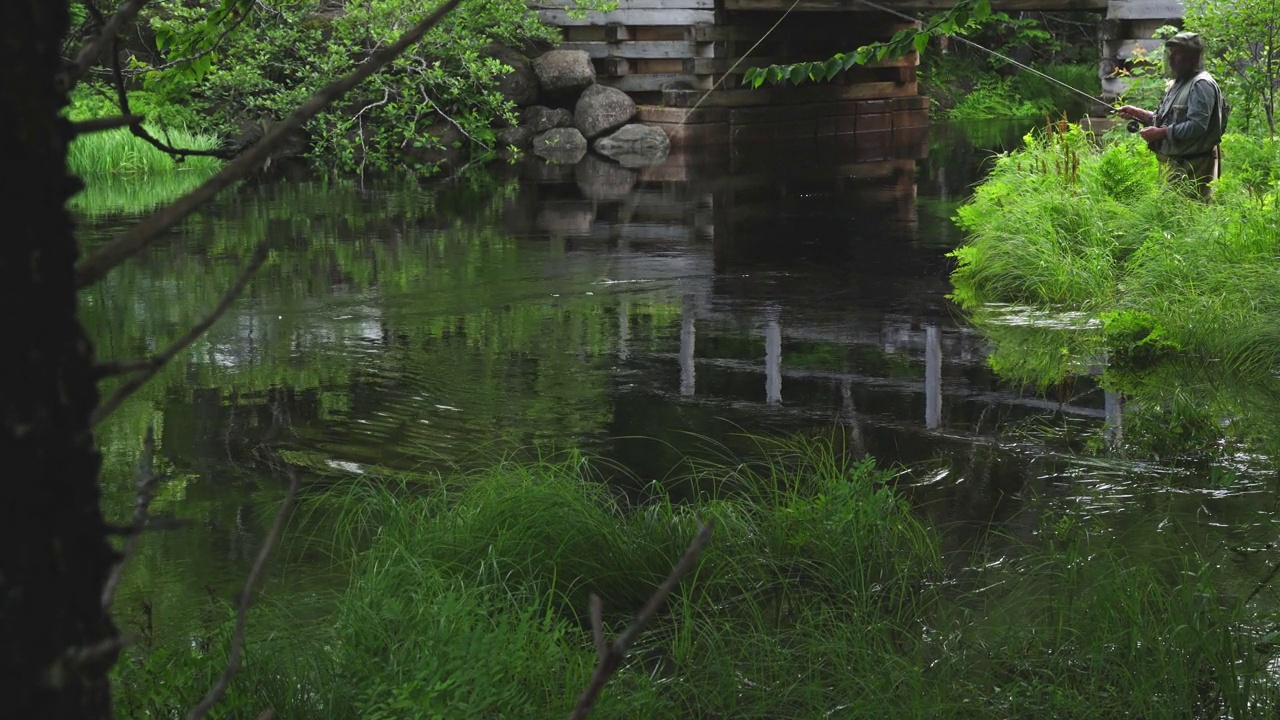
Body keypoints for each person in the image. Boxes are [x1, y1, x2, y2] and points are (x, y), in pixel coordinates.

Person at [1117, 32, 1226, 200]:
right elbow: (1168, 119)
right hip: (1175, 165)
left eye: (1178, 52)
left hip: (1194, 167)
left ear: (1192, 56)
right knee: (1168, 216)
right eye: (1172, 52)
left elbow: (1197, 126)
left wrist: (1161, 133)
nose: (1173, 57)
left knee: (1189, 219)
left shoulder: (1201, 84)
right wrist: (1140, 114)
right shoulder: (1180, 83)